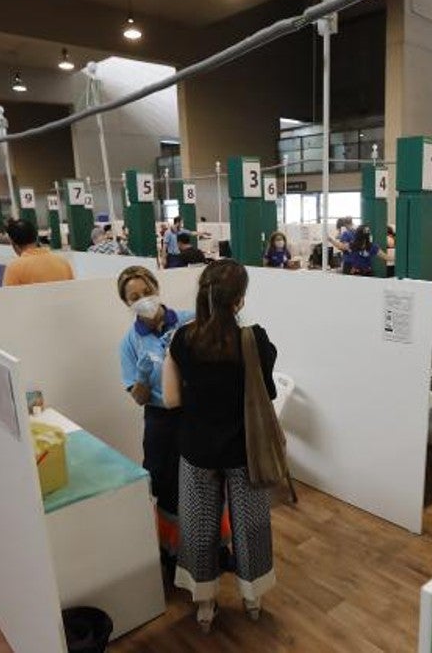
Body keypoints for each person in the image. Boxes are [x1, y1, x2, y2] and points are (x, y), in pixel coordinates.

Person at [163, 260, 278, 633]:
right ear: (240, 300)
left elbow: (171, 399)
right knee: (251, 525)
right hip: (244, 451)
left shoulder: (182, 339)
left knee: (197, 526)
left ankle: (205, 604)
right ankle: (252, 598)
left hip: (196, 449)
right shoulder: (255, 340)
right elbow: (268, 394)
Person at [117, 266, 196, 567]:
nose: (143, 300)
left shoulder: (189, 320)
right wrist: (142, 377)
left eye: (146, 292)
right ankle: (172, 551)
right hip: (160, 420)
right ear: (127, 304)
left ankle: (212, 545)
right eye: (134, 297)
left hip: (193, 413)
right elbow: (138, 398)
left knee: (202, 478)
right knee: (164, 483)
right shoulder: (129, 343)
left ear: (156, 287)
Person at [2, 219, 74, 286]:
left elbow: (10, 297)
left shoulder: (14, 268)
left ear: (13, 244)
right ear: (36, 238)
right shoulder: (62, 262)